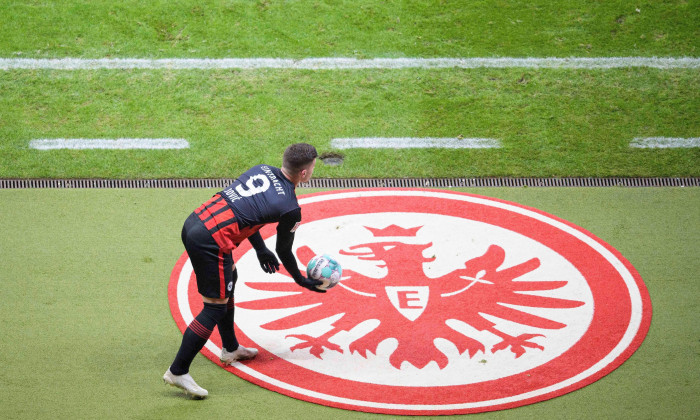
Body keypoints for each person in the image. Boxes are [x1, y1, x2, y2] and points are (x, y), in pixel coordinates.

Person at [163, 143, 324, 398]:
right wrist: (300, 279)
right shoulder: (291, 208)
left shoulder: (261, 169)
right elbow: (284, 251)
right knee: (214, 307)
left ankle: (230, 348)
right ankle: (178, 371)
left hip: (195, 221)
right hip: (210, 241)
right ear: (304, 173)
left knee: (231, 277)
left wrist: (260, 249)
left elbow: (246, 212)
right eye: (313, 167)